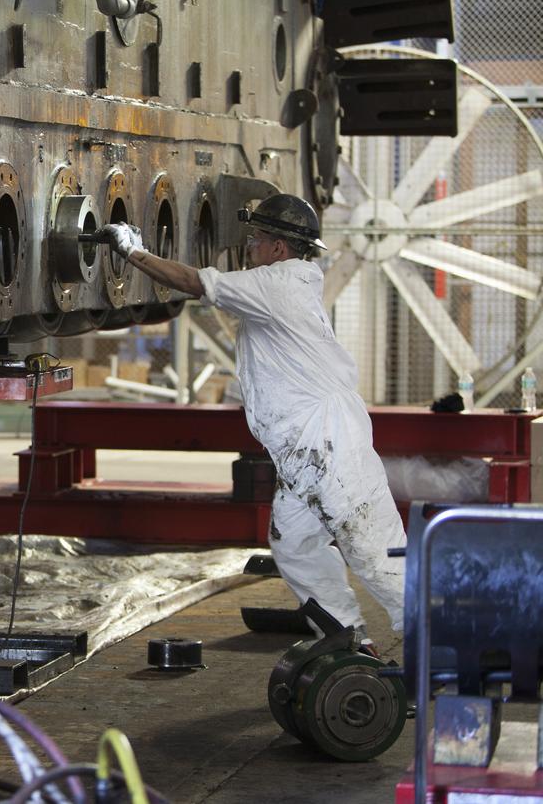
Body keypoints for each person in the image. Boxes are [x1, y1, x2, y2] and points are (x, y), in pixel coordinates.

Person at [96, 194, 407, 653]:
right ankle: (348, 642)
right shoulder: (284, 282)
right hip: (304, 449)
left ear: (280, 248)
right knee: (295, 546)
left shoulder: (277, 283)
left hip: (327, 441)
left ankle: (441, 650)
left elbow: (193, 282)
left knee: (372, 549)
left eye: (258, 239)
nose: (251, 247)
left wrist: (133, 252)